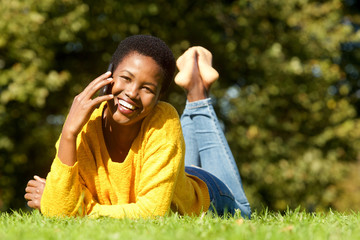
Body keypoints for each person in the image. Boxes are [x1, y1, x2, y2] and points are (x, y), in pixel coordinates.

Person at [24, 35, 251, 219]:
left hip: (207, 194)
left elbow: (152, 213)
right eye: (126, 78)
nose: (132, 93)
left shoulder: (163, 119)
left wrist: (83, 209)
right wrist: (68, 134)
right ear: (109, 73)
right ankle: (194, 82)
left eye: (148, 89)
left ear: (159, 97)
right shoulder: (83, 128)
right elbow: (59, 211)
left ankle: (196, 91)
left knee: (244, 212)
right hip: (168, 175)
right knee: (178, 167)